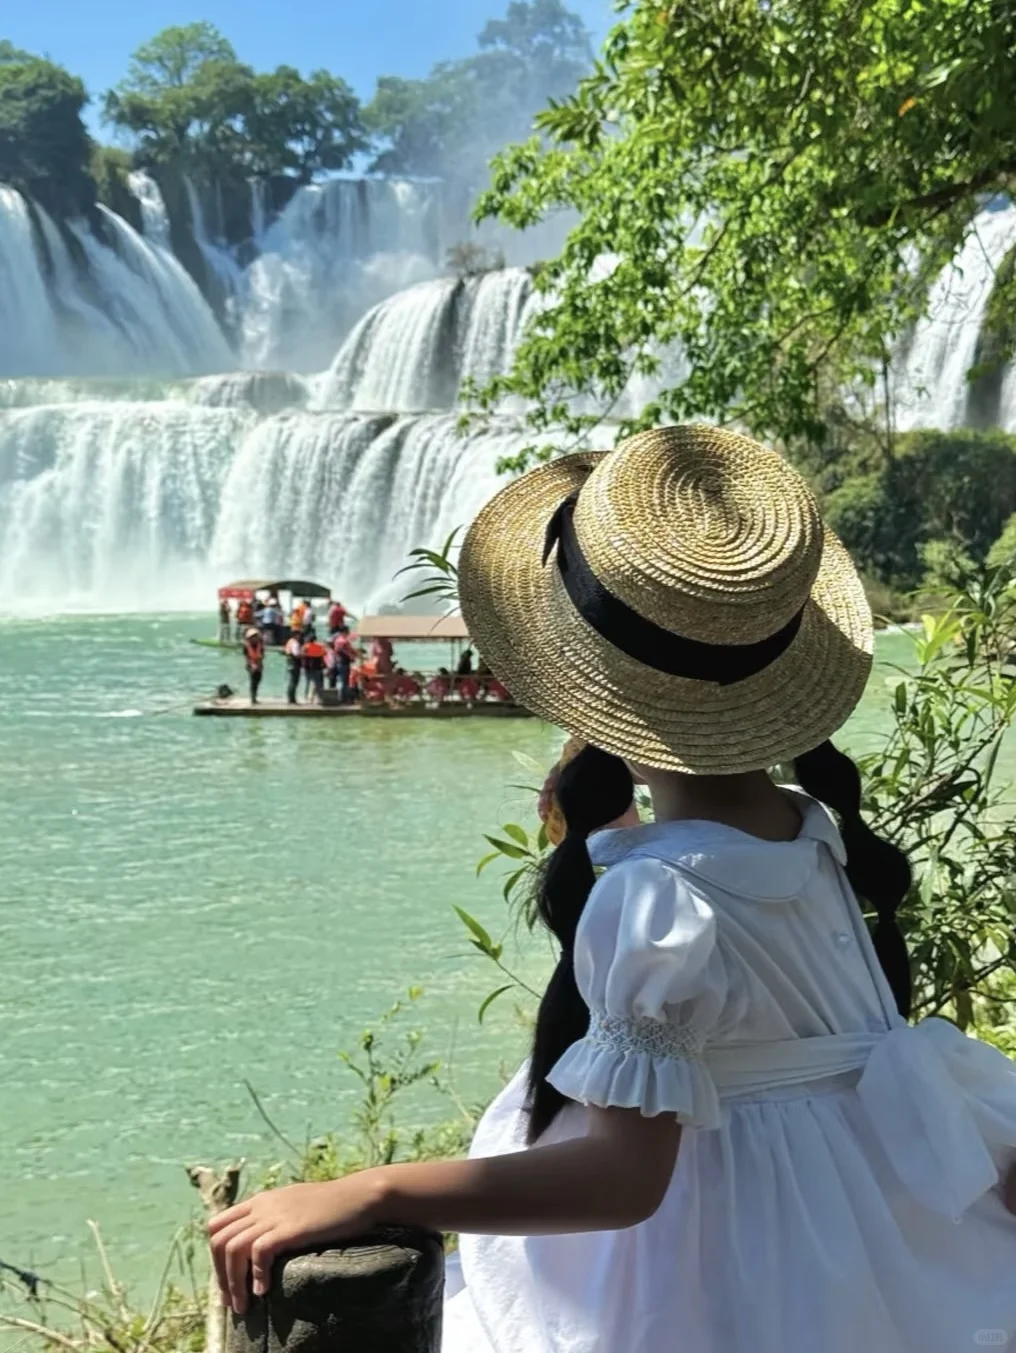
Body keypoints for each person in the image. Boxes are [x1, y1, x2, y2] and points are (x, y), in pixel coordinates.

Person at [207, 426, 1016, 1353]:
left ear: (588, 686)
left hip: (716, 1277)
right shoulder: (812, 832)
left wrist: (376, 1188)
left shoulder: (655, 901)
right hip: (875, 1250)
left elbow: (626, 1180)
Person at [302, 634, 327, 703]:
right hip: (317, 667)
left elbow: (302, 655)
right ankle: (319, 699)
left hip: (308, 668)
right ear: (315, 640)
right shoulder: (319, 647)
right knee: (318, 684)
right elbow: (324, 654)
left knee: (307, 683)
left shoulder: (305, 647)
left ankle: (306, 698)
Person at [242, 627, 264, 705]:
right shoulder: (246, 646)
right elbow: (246, 657)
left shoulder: (260, 645)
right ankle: (253, 698)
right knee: (253, 682)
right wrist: (252, 665)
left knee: (258, 680)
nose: (255, 638)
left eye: (256, 636)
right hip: (250, 665)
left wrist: (259, 664)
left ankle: (255, 697)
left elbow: (262, 655)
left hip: (259, 664)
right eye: (253, 636)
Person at [283, 632, 302, 706]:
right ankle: (292, 699)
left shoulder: (289, 641)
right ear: (296, 635)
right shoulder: (295, 643)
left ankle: (290, 698)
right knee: (294, 681)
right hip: (295, 663)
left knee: (292, 681)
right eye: (299, 635)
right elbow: (296, 654)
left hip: (290, 662)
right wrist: (303, 654)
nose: (300, 636)